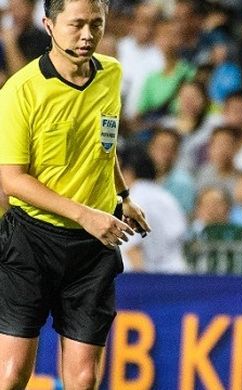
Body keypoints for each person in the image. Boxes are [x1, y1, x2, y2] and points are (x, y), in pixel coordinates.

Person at [0, 0, 151, 389]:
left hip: (91, 249)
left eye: (96, 24)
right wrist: (86, 213)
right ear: (49, 25)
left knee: (84, 379)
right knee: (14, 372)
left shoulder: (112, 74)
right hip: (32, 241)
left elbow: (104, 143)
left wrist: (122, 196)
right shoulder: (20, 91)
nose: (87, 36)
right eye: (77, 25)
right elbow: (13, 180)